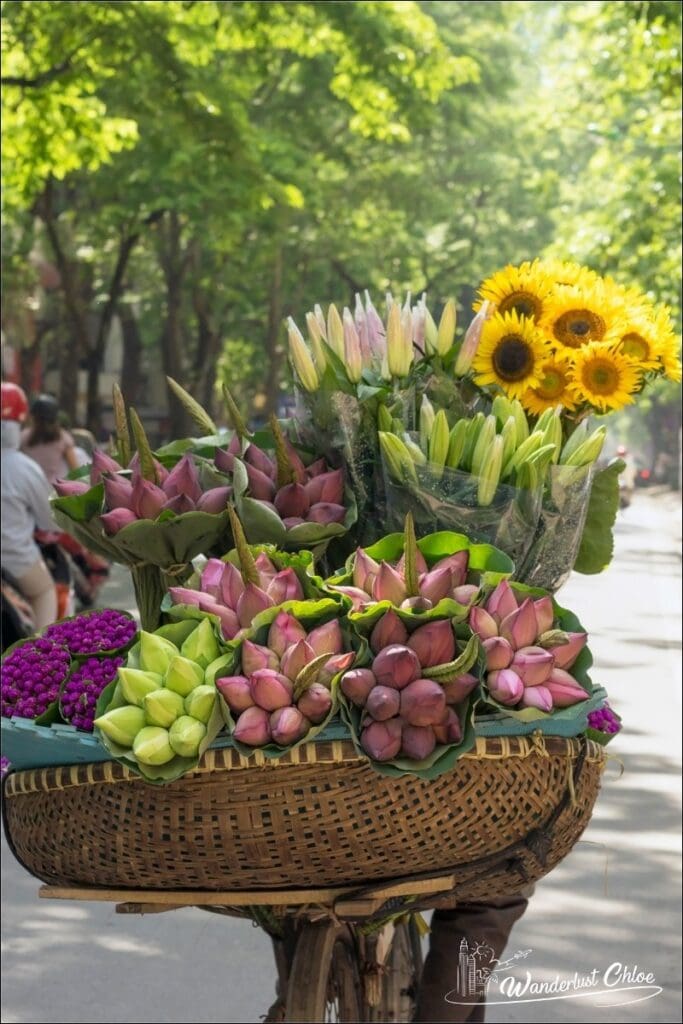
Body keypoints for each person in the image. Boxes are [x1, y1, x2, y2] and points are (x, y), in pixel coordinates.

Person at [1, 382, 59, 630]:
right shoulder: (24, 467)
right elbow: (49, 519)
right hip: (16, 558)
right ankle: (41, 655)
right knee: (45, 592)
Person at [20, 393, 80, 485]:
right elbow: (76, 471)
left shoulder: (24, 437)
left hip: (29, 488)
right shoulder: (63, 438)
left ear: (34, 417)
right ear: (55, 418)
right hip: (54, 492)